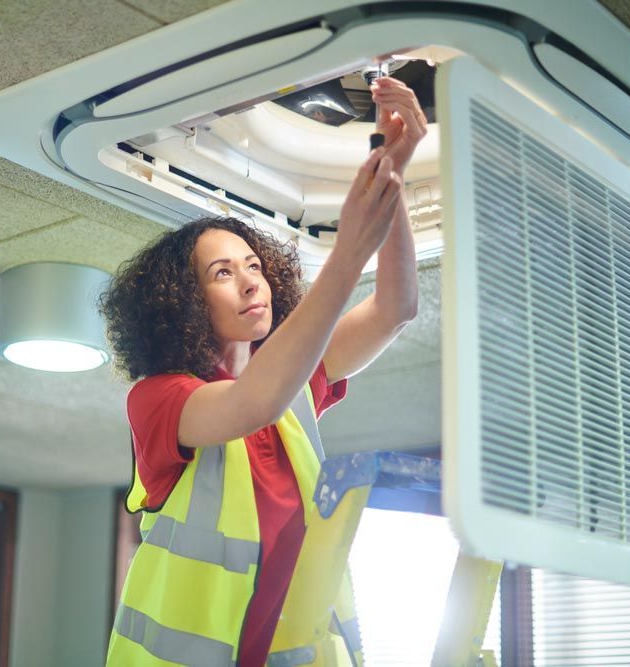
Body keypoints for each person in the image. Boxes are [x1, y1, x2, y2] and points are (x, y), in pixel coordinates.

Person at [100, 76, 427, 667]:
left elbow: (395, 309)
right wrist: (350, 249)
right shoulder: (159, 399)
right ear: (183, 301)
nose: (252, 281)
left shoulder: (293, 388)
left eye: (254, 265)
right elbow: (252, 402)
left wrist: (393, 178)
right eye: (223, 273)